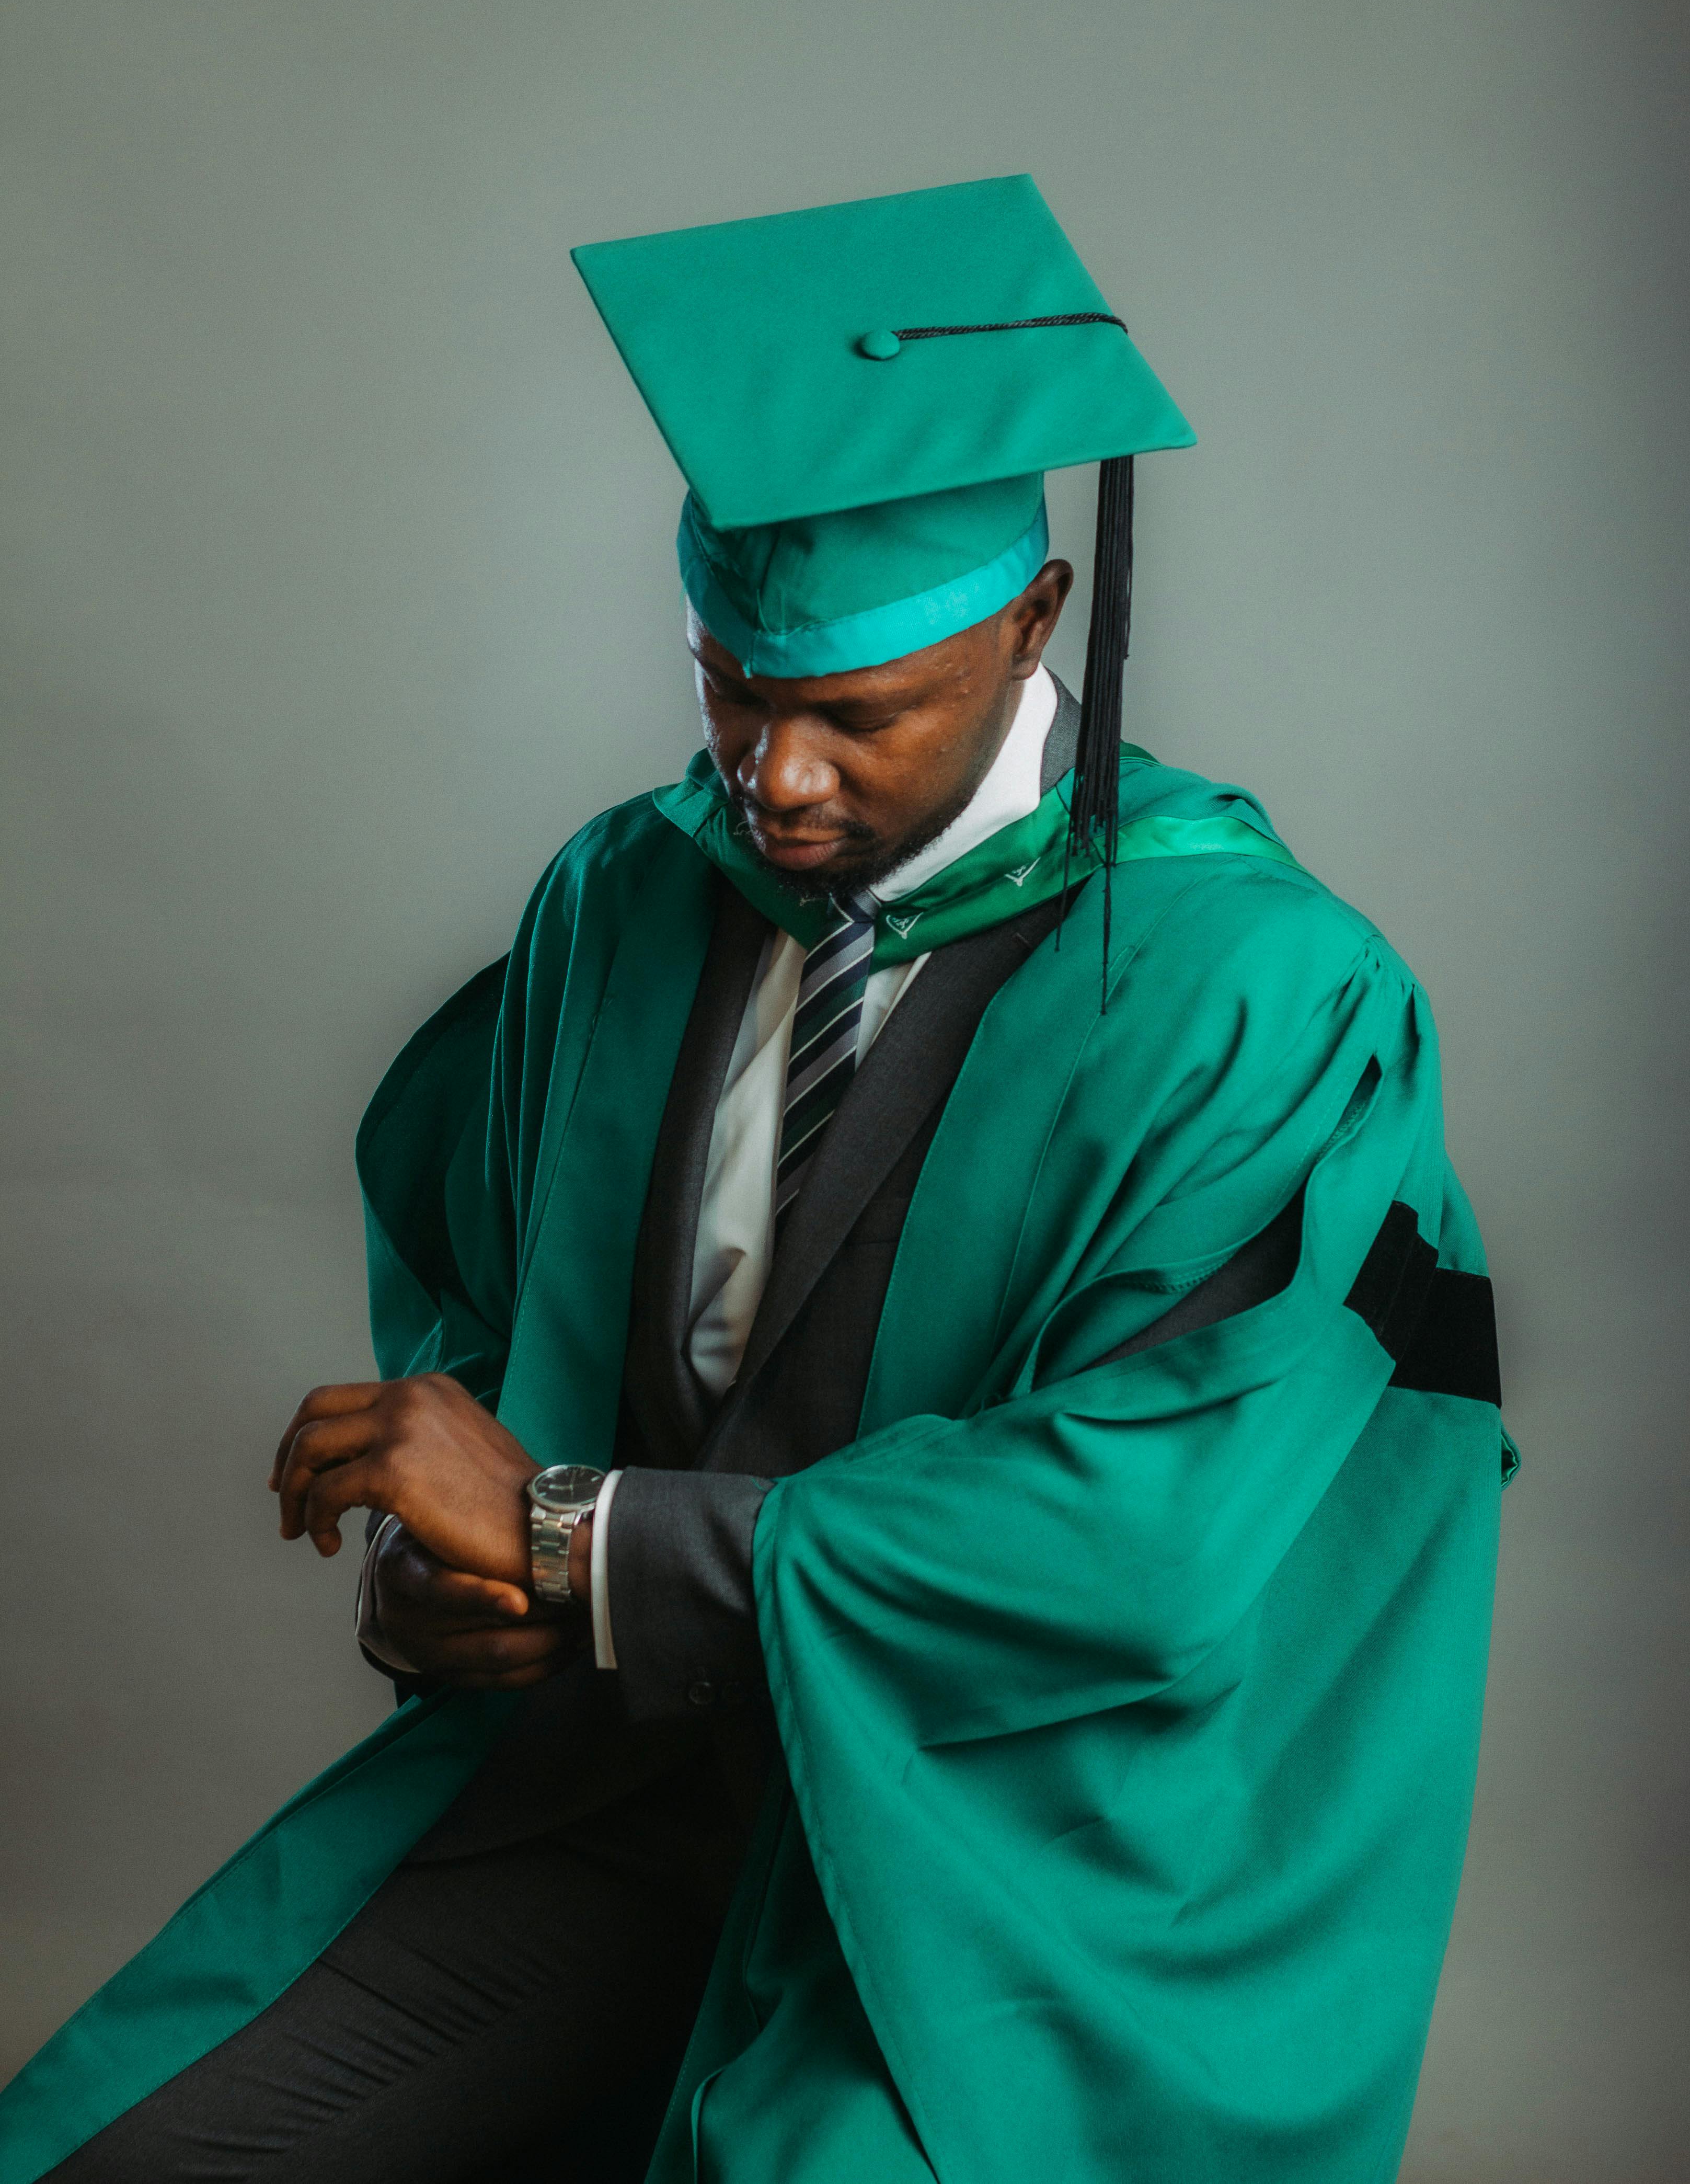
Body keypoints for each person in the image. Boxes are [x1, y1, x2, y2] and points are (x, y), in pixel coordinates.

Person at [2, 176, 1510, 2184]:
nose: (773, 775)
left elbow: (1141, 1547)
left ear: (1033, 622)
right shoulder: (628, 898)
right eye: (731, 685)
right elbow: (486, 1308)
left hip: (1004, 1866)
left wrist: (569, 1539)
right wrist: (450, 1579)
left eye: (853, 713)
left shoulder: (1256, 995)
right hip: (609, 1796)